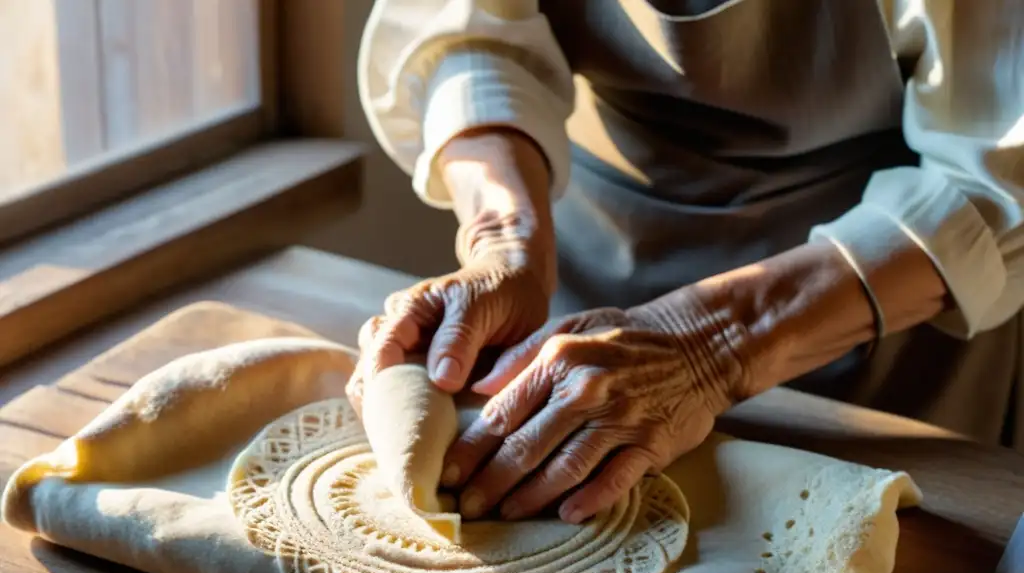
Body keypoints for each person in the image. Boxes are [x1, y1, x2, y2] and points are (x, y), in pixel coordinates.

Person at [348, 0, 1024, 525]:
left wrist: (713, 347)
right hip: (584, 268)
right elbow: (466, 34)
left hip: (870, 310)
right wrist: (504, 236)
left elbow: (996, 180)